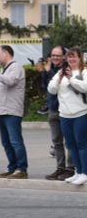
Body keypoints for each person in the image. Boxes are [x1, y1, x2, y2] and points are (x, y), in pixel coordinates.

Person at [0, 44, 28, 179]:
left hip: (12, 111)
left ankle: (22, 169)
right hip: (2, 111)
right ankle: (12, 167)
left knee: (15, 141)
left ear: (6, 53)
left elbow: (10, 82)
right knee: (6, 142)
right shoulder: (4, 69)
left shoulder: (16, 67)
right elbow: (0, 91)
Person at [47, 47, 87, 185]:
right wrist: (60, 77)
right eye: (69, 57)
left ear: (79, 58)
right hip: (64, 114)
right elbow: (51, 89)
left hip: (81, 113)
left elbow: (84, 87)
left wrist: (71, 79)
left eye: (74, 56)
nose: (71, 59)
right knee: (71, 145)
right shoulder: (61, 72)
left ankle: (84, 173)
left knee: (81, 144)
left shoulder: (83, 71)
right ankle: (78, 171)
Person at [41, 46, 74, 180]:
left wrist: (48, 72)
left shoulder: (67, 70)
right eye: (53, 55)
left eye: (58, 55)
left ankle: (71, 168)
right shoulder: (51, 70)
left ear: (64, 56)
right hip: (53, 110)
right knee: (57, 142)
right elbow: (46, 87)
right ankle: (60, 168)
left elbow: (56, 85)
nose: (55, 58)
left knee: (70, 142)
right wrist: (45, 72)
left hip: (66, 110)